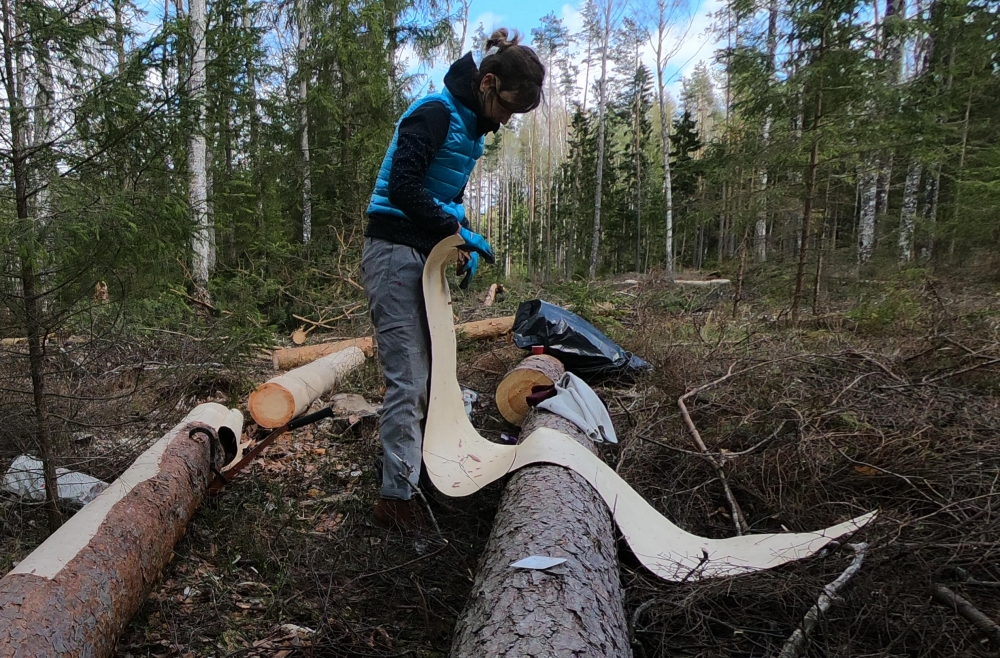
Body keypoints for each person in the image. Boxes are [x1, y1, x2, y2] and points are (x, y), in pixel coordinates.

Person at [361, 28, 545, 534]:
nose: (508, 120)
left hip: (423, 256)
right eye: (509, 107)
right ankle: (396, 499)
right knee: (411, 378)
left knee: (439, 373)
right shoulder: (435, 114)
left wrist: (457, 241)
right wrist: (453, 229)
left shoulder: (469, 129)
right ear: (487, 83)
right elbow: (402, 187)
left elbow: (444, 195)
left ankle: (424, 475)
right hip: (394, 253)